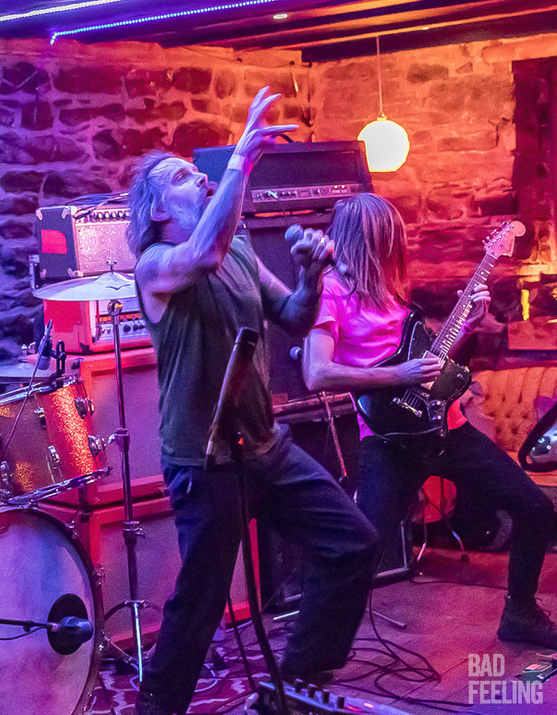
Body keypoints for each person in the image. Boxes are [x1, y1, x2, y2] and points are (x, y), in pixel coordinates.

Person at [127, 88, 380, 715]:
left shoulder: (238, 248)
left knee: (354, 544)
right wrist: (240, 155)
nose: (199, 178)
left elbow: (293, 315)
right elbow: (202, 253)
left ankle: (292, 685)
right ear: (156, 210)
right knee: (201, 602)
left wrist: (310, 275)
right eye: (182, 178)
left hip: (267, 449)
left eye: (198, 173)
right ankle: (158, 708)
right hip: (205, 460)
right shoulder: (155, 265)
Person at [303, 192, 557, 649]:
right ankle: (312, 653)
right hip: (391, 440)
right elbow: (316, 373)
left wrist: (469, 326)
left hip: (447, 428)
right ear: (373, 240)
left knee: (535, 507)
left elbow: (430, 366)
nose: (399, 249)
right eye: (392, 239)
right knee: (364, 547)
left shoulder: (393, 293)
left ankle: (520, 614)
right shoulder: (331, 292)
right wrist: (396, 375)